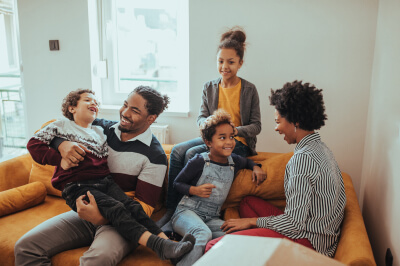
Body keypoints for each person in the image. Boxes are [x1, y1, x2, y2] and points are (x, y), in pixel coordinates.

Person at [15, 86, 189, 265]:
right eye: (125, 105)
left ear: (151, 118)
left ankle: (164, 245)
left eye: (134, 110)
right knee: (26, 247)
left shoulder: (155, 156)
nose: (125, 113)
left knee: (98, 260)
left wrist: (101, 217)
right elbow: (59, 130)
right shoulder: (101, 128)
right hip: (86, 206)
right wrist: (62, 145)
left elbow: (143, 208)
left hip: (122, 221)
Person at [205, 81, 347, 258]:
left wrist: (250, 222)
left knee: (212, 246)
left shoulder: (302, 160)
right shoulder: (322, 148)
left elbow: (294, 225)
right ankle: (258, 249)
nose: (276, 128)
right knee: (247, 202)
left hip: (308, 243)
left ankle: (255, 247)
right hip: (320, 235)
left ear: (295, 121)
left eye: (278, 122)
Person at [157, 26, 262, 228]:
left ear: (240, 63)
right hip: (213, 138)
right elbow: (201, 117)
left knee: (192, 156)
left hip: (236, 142)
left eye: (231, 62)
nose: (225, 66)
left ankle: (191, 210)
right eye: (220, 61)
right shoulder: (209, 87)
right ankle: (172, 209)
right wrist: (205, 125)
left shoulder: (249, 90)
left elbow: (256, 126)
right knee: (178, 151)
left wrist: (233, 132)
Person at [169, 109, 266, 265]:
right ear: (208, 142)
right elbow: (177, 184)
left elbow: (248, 162)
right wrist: (194, 190)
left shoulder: (234, 161)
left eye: (231, 137)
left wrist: (256, 167)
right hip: (186, 212)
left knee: (234, 236)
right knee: (202, 233)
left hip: (212, 217)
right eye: (222, 138)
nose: (229, 142)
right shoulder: (198, 161)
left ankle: (184, 252)